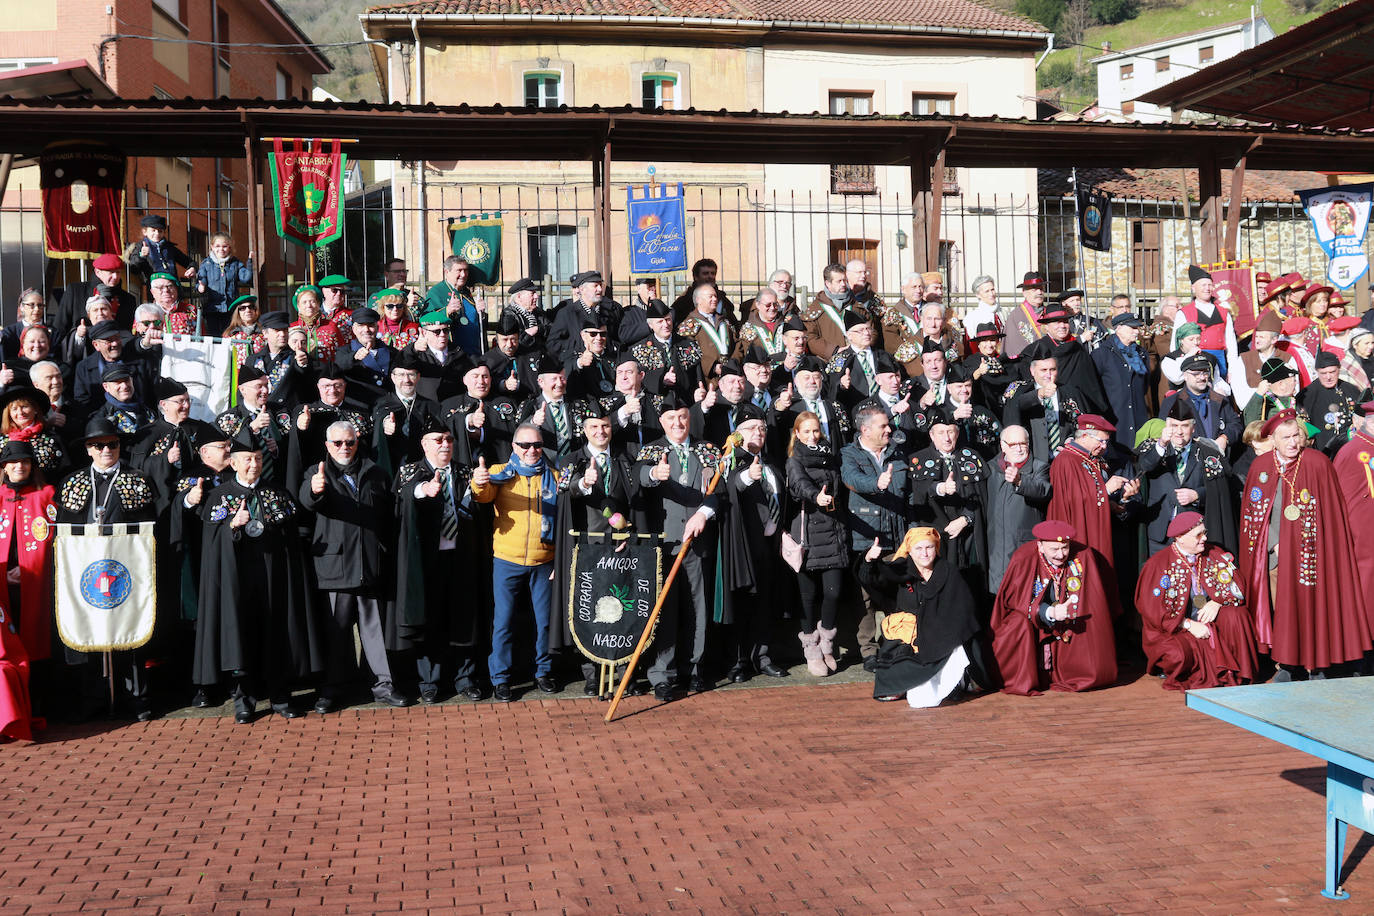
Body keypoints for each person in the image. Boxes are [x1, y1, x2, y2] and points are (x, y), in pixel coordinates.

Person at [194, 432, 322, 723]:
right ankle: (244, 700)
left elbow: (291, 535)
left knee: (277, 635)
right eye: (247, 460)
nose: (253, 465)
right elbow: (210, 544)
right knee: (241, 636)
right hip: (237, 581)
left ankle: (280, 696)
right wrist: (231, 527)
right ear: (234, 463)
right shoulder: (219, 496)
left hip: (274, 577)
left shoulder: (277, 493)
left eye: (258, 459)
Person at [1237, 409, 1373, 679]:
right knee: (1283, 613)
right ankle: (1288, 665)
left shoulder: (1317, 463)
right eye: (1285, 437)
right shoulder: (1261, 467)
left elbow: (1332, 516)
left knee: (1314, 610)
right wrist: (1274, 545)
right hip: (1275, 558)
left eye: (1296, 436)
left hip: (1313, 556)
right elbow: (1253, 516)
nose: (1292, 443)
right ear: (1272, 439)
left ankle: (1318, 664)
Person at [298, 421, 409, 712]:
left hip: (370, 563)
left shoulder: (376, 473)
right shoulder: (316, 472)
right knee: (337, 631)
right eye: (337, 443)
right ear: (327, 445)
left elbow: (389, 517)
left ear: (357, 442)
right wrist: (314, 490)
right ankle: (332, 688)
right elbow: (306, 503)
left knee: (374, 629)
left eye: (349, 442)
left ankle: (383, 684)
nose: (344, 448)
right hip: (335, 566)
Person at [55, 417, 159, 719]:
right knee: (90, 631)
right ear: (88, 449)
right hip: (86, 571)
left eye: (112, 444)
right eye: (99, 445)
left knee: (130, 629)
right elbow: (65, 529)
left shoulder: (136, 479)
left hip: (124, 569)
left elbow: (148, 526)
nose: (106, 450)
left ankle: (138, 699)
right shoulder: (73, 482)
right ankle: (93, 698)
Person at [391, 417, 486, 703]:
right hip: (427, 560)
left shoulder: (466, 472)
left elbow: (478, 507)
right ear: (424, 444)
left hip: (460, 556)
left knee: (463, 618)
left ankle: (465, 678)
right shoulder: (410, 472)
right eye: (438, 440)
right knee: (429, 619)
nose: (445, 445)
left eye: (448, 439)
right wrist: (424, 491)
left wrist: (482, 488)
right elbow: (405, 496)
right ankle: (429, 682)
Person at [551, 405, 642, 697]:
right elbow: (564, 487)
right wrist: (583, 483)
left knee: (619, 607)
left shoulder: (624, 458)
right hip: (587, 546)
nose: (601, 432)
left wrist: (628, 532)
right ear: (584, 431)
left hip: (620, 546)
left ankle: (619, 670)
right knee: (590, 608)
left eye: (605, 426)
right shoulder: (572, 459)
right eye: (594, 427)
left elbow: (634, 500)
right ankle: (592, 673)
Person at [636, 395, 722, 700]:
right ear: (662, 422)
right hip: (664, 543)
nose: (677, 424)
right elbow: (636, 479)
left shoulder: (707, 450)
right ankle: (663, 674)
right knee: (664, 611)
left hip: (697, 543)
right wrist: (652, 474)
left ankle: (694, 670)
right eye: (671, 418)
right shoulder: (652, 450)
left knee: (697, 608)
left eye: (683, 417)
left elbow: (718, 489)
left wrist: (703, 513)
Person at [471, 422, 562, 701]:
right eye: (525, 445)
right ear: (514, 447)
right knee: (504, 621)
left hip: (544, 559)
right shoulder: (500, 473)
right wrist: (478, 481)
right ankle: (501, 678)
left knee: (545, 622)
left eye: (536, 445)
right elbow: (483, 495)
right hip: (507, 559)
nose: (531, 450)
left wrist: (559, 559)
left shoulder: (555, 476)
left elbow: (563, 517)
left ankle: (543, 672)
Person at [989, 520, 1119, 695]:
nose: (1061, 555)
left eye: (1064, 547)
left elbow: (1093, 598)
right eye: (1054, 549)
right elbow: (1015, 601)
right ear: (1040, 546)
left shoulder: (1082, 555)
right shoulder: (1024, 558)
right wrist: (1047, 612)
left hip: (1068, 619)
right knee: (1017, 625)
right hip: (1035, 621)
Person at [859, 526, 985, 706]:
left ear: (936, 548)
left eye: (929, 547)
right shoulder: (900, 571)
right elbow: (873, 581)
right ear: (909, 550)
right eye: (918, 548)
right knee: (903, 669)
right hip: (910, 636)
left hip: (942, 635)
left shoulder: (949, 572)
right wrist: (869, 560)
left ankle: (957, 681)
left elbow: (963, 611)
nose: (924, 553)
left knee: (954, 649)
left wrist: (939, 627)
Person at [1135, 512, 1258, 691]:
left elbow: (1237, 583)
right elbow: (1152, 610)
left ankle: (1240, 672)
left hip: (1211, 622)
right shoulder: (1158, 564)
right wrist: (1189, 625)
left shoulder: (1214, 553)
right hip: (1175, 629)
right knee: (1180, 655)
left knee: (1237, 615)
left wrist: (1218, 602)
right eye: (1198, 535)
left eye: (1204, 532)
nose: (1205, 538)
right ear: (1179, 538)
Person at [720, 406, 789, 682]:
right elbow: (733, 484)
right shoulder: (731, 460)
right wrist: (749, 476)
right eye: (751, 428)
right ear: (737, 434)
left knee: (764, 602)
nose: (758, 433)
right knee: (743, 601)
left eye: (761, 428)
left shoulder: (771, 462)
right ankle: (738, 660)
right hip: (742, 544)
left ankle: (762, 656)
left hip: (769, 545)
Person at [841, 401, 912, 670]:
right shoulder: (849, 454)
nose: (889, 429)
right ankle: (868, 651)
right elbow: (852, 479)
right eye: (883, 426)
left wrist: (911, 534)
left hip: (896, 536)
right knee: (866, 597)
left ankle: (895, 644)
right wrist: (876, 483)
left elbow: (909, 496)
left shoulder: (896, 453)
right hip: (866, 537)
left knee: (897, 594)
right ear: (865, 429)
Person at [785, 411, 848, 677]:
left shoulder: (830, 456)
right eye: (807, 431)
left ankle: (827, 644)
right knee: (808, 597)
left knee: (833, 592)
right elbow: (799, 485)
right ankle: (811, 649)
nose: (812, 436)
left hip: (833, 531)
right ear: (797, 434)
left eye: (816, 431)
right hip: (808, 534)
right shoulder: (794, 459)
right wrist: (816, 497)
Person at [1137, 399, 1237, 555]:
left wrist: (1198, 495)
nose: (1179, 431)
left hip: (1194, 534)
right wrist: (1162, 443)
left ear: (1193, 427)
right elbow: (1145, 466)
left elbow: (1222, 488)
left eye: (1184, 426)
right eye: (1174, 426)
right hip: (1160, 533)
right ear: (1166, 427)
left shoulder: (1207, 452)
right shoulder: (1155, 448)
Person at [1047, 414, 1139, 565]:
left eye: (1106, 442)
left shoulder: (1091, 460)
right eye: (1101, 441)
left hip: (1098, 533)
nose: (1104, 446)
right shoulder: (1066, 461)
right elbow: (1071, 502)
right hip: (1079, 538)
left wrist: (1118, 502)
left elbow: (1091, 499)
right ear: (1084, 436)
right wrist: (1106, 490)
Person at [985, 425, 1051, 596]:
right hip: (994, 546)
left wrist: (1020, 481)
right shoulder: (991, 468)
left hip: (1023, 544)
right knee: (998, 597)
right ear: (1003, 445)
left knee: (1024, 594)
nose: (1020, 448)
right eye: (1014, 444)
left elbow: (1043, 490)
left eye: (1024, 443)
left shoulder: (1039, 467)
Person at [1159, 354, 1242, 455]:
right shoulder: (1171, 402)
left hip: (1217, 460)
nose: (1202, 377)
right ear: (1185, 376)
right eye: (1196, 374)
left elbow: (1236, 424)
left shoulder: (1220, 400)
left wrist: (1225, 437)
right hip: (1187, 461)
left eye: (1205, 372)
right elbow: (1163, 431)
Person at [1091, 312, 1150, 449]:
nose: (1137, 331)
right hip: (1114, 421)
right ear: (1119, 328)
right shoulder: (1102, 354)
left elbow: (1144, 385)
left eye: (1137, 328)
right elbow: (1094, 388)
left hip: (1138, 420)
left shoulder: (1141, 354)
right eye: (1132, 328)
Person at [53, 253, 137, 342]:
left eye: (118, 272)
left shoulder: (128, 299)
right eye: (111, 272)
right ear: (98, 272)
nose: (115, 277)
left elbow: (126, 332)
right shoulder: (76, 291)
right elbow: (60, 327)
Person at [1174, 265, 1239, 378]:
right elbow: (1175, 344)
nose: (1207, 288)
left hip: (1220, 362)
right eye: (1203, 285)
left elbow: (1231, 343)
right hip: (1195, 362)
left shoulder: (1224, 312)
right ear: (1193, 288)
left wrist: (1232, 369)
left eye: (1210, 285)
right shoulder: (1183, 313)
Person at [1300, 350, 1365, 456]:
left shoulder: (1351, 389)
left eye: (1332, 372)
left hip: (1352, 450)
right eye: (1323, 373)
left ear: (1339, 369)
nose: (1328, 377)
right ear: (1317, 371)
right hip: (1324, 452)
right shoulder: (1306, 395)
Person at [424, 256, 486, 357]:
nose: (463, 274)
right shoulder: (436, 292)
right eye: (459, 270)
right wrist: (448, 310)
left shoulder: (465, 291)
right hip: (452, 353)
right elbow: (427, 320)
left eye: (466, 270)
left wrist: (481, 312)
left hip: (473, 350)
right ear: (446, 272)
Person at [194, 233, 254, 337]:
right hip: (212, 308)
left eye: (224, 246)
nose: (221, 249)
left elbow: (246, 278)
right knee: (214, 337)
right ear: (212, 247)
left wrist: (250, 262)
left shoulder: (235, 263)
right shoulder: (206, 263)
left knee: (229, 336)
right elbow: (200, 280)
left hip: (230, 307)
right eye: (217, 246)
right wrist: (201, 287)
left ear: (229, 247)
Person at [0, 385, 64, 476]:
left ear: (35, 409)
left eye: (24, 407)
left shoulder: (50, 438)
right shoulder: (2, 440)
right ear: (9, 414)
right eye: (14, 409)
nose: (20, 413)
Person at [801, 263, 859, 359]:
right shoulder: (814, 310)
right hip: (829, 362)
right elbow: (810, 338)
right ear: (828, 283)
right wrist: (834, 350)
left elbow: (871, 330)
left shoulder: (857, 306)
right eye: (839, 281)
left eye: (845, 280)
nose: (843, 284)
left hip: (858, 359)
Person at [290, 284, 345, 363]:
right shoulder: (291, 328)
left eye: (312, 301)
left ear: (318, 304)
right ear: (298, 306)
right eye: (304, 302)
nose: (309, 305)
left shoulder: (331, 327)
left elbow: (342, 353)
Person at [1004, 271, 1047, 358]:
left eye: (1041, 288)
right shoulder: (1015, 316)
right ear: (1024, 292)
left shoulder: (1049, 312)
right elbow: (1013, 346)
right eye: (1034, 289)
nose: (1039, 292)